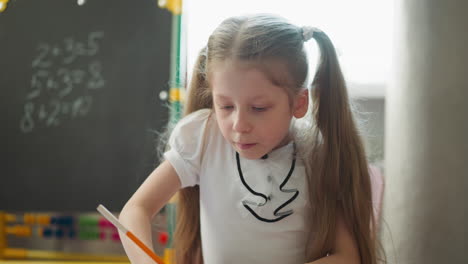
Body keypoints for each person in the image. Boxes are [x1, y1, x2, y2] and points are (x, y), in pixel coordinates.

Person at [119, 13, 383, 264]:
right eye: (225, 106)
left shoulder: (320, 156)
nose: (239, 125)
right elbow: (136, 210)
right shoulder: (202, 138)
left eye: (259, 108)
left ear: (299, 103)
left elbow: (347, 257)